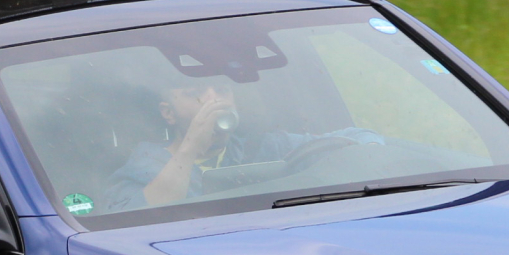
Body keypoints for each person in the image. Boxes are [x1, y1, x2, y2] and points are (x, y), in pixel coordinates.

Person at [94, 83, 381, 215]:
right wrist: (191, 148)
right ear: (168, 113)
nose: (213, 100)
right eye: (195, 93)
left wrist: (373, 151)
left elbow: (351, 138)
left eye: (222, 91)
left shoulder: (266, 147)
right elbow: (134, 217)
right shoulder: (141, 168)